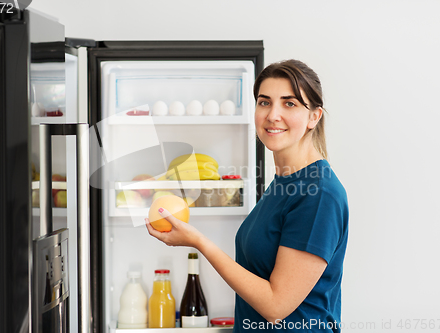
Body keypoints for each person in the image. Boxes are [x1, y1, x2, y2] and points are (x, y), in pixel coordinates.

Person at [146, 59, 349, 332]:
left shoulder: (319, 194)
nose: (272, 114)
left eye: (289, 103)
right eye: (264, 102)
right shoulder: (284, 183)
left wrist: (199, 242)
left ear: (314, 116)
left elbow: (276, 306)